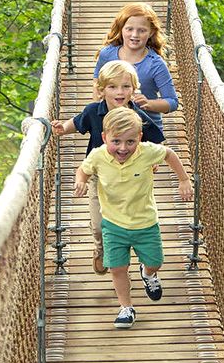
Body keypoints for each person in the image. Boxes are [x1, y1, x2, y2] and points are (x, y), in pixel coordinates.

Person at [74, 106, 192, 329]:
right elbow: (83, 169)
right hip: (113, 224)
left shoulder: (147, 152)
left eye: (130, 142)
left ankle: (148, 274)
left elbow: (169, 154)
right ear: (104, 138)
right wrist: (80, 181)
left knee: (155, 262)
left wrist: (183, 179)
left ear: (140, 137)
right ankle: (126, 308)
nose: (123, 148)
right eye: (116, 141)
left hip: (145, 222)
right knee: (117, 268)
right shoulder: (98, 155)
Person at [52, 60, 164, 274]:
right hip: (99, 175)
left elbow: (155, 140)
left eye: (125, 86)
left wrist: (153, 161)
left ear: (134, 89)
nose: (119, 92)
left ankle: (128, 254)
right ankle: (101, 248)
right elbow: (77, 122)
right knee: (98, 225)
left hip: (131, 177)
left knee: (130, 218)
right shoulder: (94, 111)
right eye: (112, 87)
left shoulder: (137, 116)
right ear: (102, 90)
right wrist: (63, 128)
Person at [95, 2, 178, 133]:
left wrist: (148, 104)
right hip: (112, 127)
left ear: (151, 32)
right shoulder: (107, 54)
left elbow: (172, 102)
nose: (135, 35)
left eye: (142, 30)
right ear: (121, 29)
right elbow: (97, 86)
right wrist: (96, 117)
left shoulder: (155, 64)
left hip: (146, 129)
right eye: (129, 29)